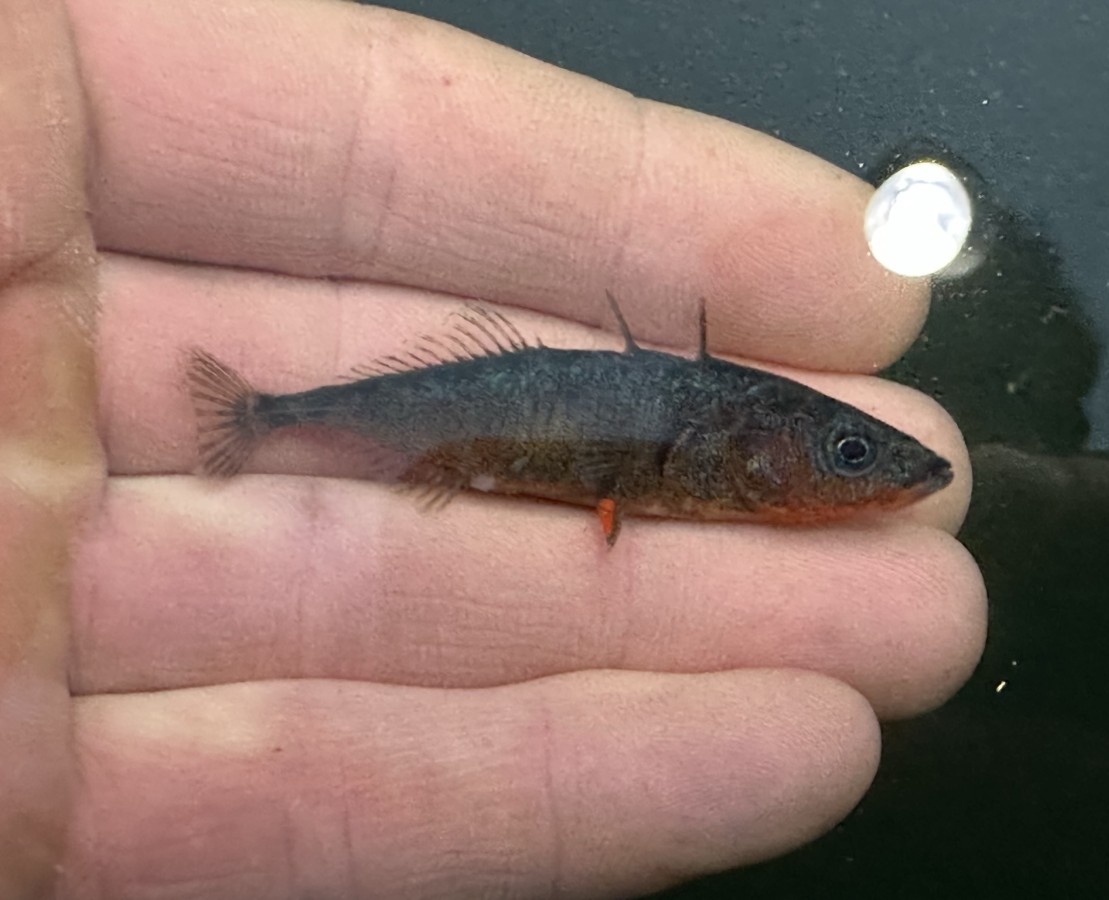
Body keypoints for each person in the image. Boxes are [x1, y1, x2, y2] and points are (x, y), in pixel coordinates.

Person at [0, 1, 985, 897]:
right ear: (759, 445)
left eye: (851, 453)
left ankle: (267, 415)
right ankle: (262, 414)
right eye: (850, 454)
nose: (878, 472)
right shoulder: (716, 447)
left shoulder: (726, 446)